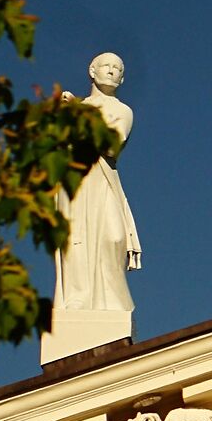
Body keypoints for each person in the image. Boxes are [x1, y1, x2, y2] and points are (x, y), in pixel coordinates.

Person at [53, 52, 141, 313]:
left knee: (112, 237)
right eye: (107, 66)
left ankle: (112, 303)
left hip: (102, 179)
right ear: (92, 71)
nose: (112, 71)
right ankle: (77, 298)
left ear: (122, 78)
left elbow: (112, 145)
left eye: (118, 68)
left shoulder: (121, 110)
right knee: (75, 235)